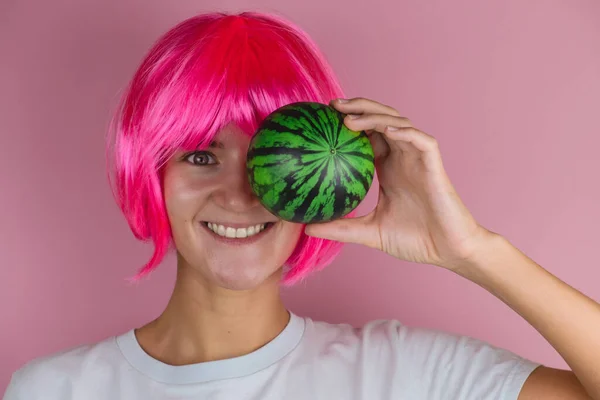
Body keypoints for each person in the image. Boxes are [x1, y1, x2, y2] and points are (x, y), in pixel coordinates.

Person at [3, 11, 598, 400]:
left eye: (269, 156)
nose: (240, 195)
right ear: (152, 173)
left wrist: (472, 250)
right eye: (201, 157)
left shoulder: (404, 376)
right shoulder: (53, 389)